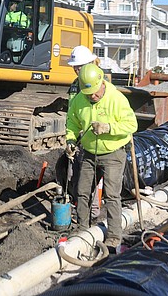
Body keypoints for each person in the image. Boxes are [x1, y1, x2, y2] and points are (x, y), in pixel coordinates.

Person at [65, 63, 137, 249]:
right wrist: (71, 141)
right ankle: (82, 228)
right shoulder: (79, 100)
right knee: (81, 191)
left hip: (113, 153)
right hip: (89, 152)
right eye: (89, 94)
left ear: (102, 83)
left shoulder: (117, 99)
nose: (93, 97)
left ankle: (114, 236)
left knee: (112, 195)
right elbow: (72, 123)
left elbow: (131, 125)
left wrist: (109, 128)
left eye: (95, 93)